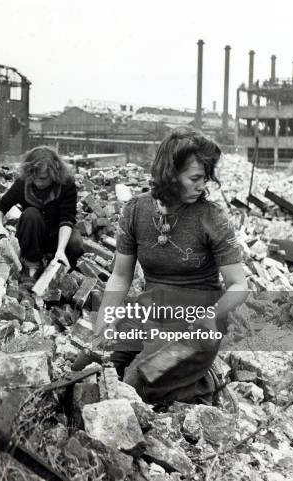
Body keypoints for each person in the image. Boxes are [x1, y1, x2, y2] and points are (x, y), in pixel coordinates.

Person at [90, 129, 248, 405]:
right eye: (195, 179)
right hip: (150, 314)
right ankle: (185, 379)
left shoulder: (212, 218)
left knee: (137, 380)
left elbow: (239, 285)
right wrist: (105, 321)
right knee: (92, 370)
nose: (202, 186)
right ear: (170, 175)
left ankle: (200, 381)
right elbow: (120, 276)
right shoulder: (136, 211)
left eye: (205, 178)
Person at [0, 146, 84, 276]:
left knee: (76, 244)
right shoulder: (23, 184)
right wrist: (0, 227)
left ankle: (59, 264)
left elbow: (67, 219)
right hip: (32, 234)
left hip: (57, 233)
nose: (38, 183)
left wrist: (61, 249)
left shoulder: (66, 185)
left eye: (43, 178)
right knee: (31, 214)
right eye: (34, 177)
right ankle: (31, 264)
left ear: (55, 174)